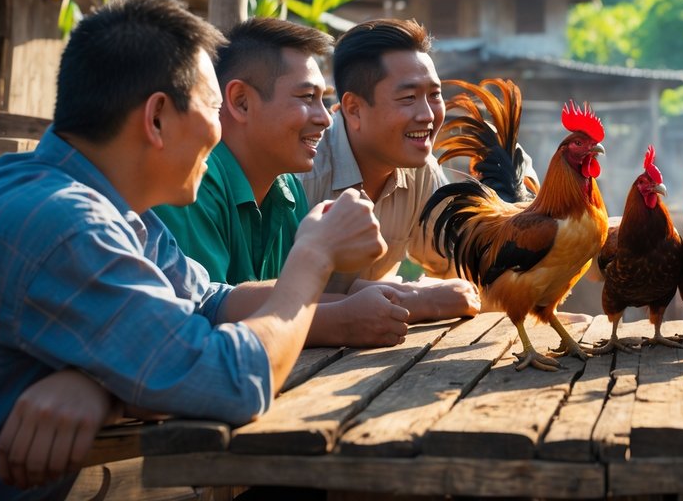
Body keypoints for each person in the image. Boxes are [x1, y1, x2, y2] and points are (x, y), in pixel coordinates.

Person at [0, 0, 388, 498]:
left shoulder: (109, 205)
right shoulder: (66, 223)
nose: (219, 135)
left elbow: (207, 300)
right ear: (156, 118)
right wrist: (314, 255)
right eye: (214, 109)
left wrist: (103, 387)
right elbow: (232, 383)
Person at [154, 18, 467, 348]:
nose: (326, 118)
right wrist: (345, 320)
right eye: (306, 97)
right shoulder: (192, 183)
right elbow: (202, 316)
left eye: (323, 98)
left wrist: (406, 297)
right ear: (241, 101)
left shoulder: (285, 188)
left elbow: (295, 295)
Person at [297, 18, 474, 290]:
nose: (428, 115)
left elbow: (458, 267)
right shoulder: (303, 174)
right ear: (354, 109)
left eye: (435, 95)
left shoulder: (422, 172)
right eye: (408, 98)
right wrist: (411, 299)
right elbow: (267, 299)